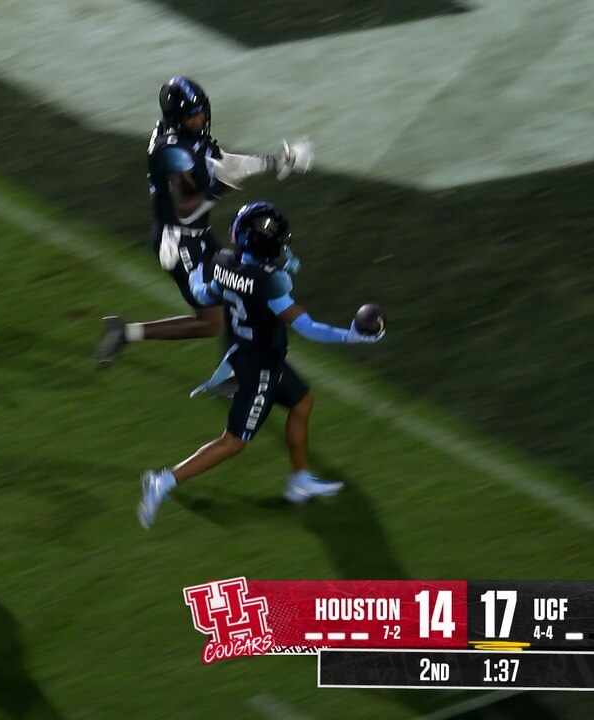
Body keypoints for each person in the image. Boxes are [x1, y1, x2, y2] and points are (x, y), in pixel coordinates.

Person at [137, 201, 383, 529]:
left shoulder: (224, 261)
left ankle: (299, 481)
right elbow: (308, 327)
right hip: (260, 368)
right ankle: (163, 482)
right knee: (233, 442)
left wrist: (194, 273)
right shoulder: (271, 282)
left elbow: (205, 294)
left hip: (250, 353)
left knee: (302, 403)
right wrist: (352, 336)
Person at [96, 76, 313, 365]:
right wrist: (219, 187)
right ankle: (126, 333)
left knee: (238, 291)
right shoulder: (171, 151)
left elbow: (225, 162)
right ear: (178, 118)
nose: (200, 118)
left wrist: (276, 160)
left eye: (201, 112)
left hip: (197, 235)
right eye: (193, 114)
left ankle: (234, 372)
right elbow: (184, 210)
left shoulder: (187, 137)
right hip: (178, 241)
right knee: (211, 322)